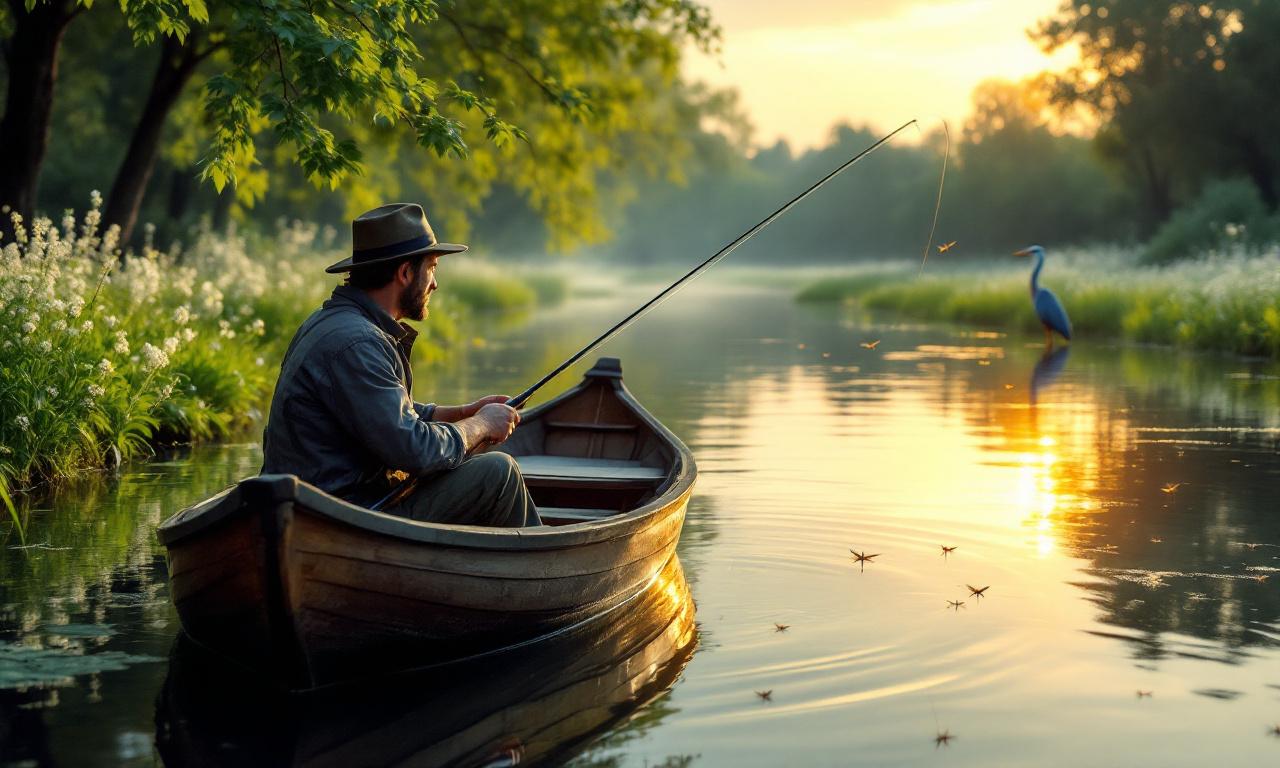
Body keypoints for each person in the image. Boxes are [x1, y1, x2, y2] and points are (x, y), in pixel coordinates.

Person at [260, 203, 541, 527]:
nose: (435, 283)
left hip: (317, 509)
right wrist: (480, 426)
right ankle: (547, 573)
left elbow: (379, 414)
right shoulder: (360, 342)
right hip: (341, 518)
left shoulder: (332, 323)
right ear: (405, 272)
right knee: (499, 474)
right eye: (432, 267)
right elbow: (415, 452)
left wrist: (461, 413)